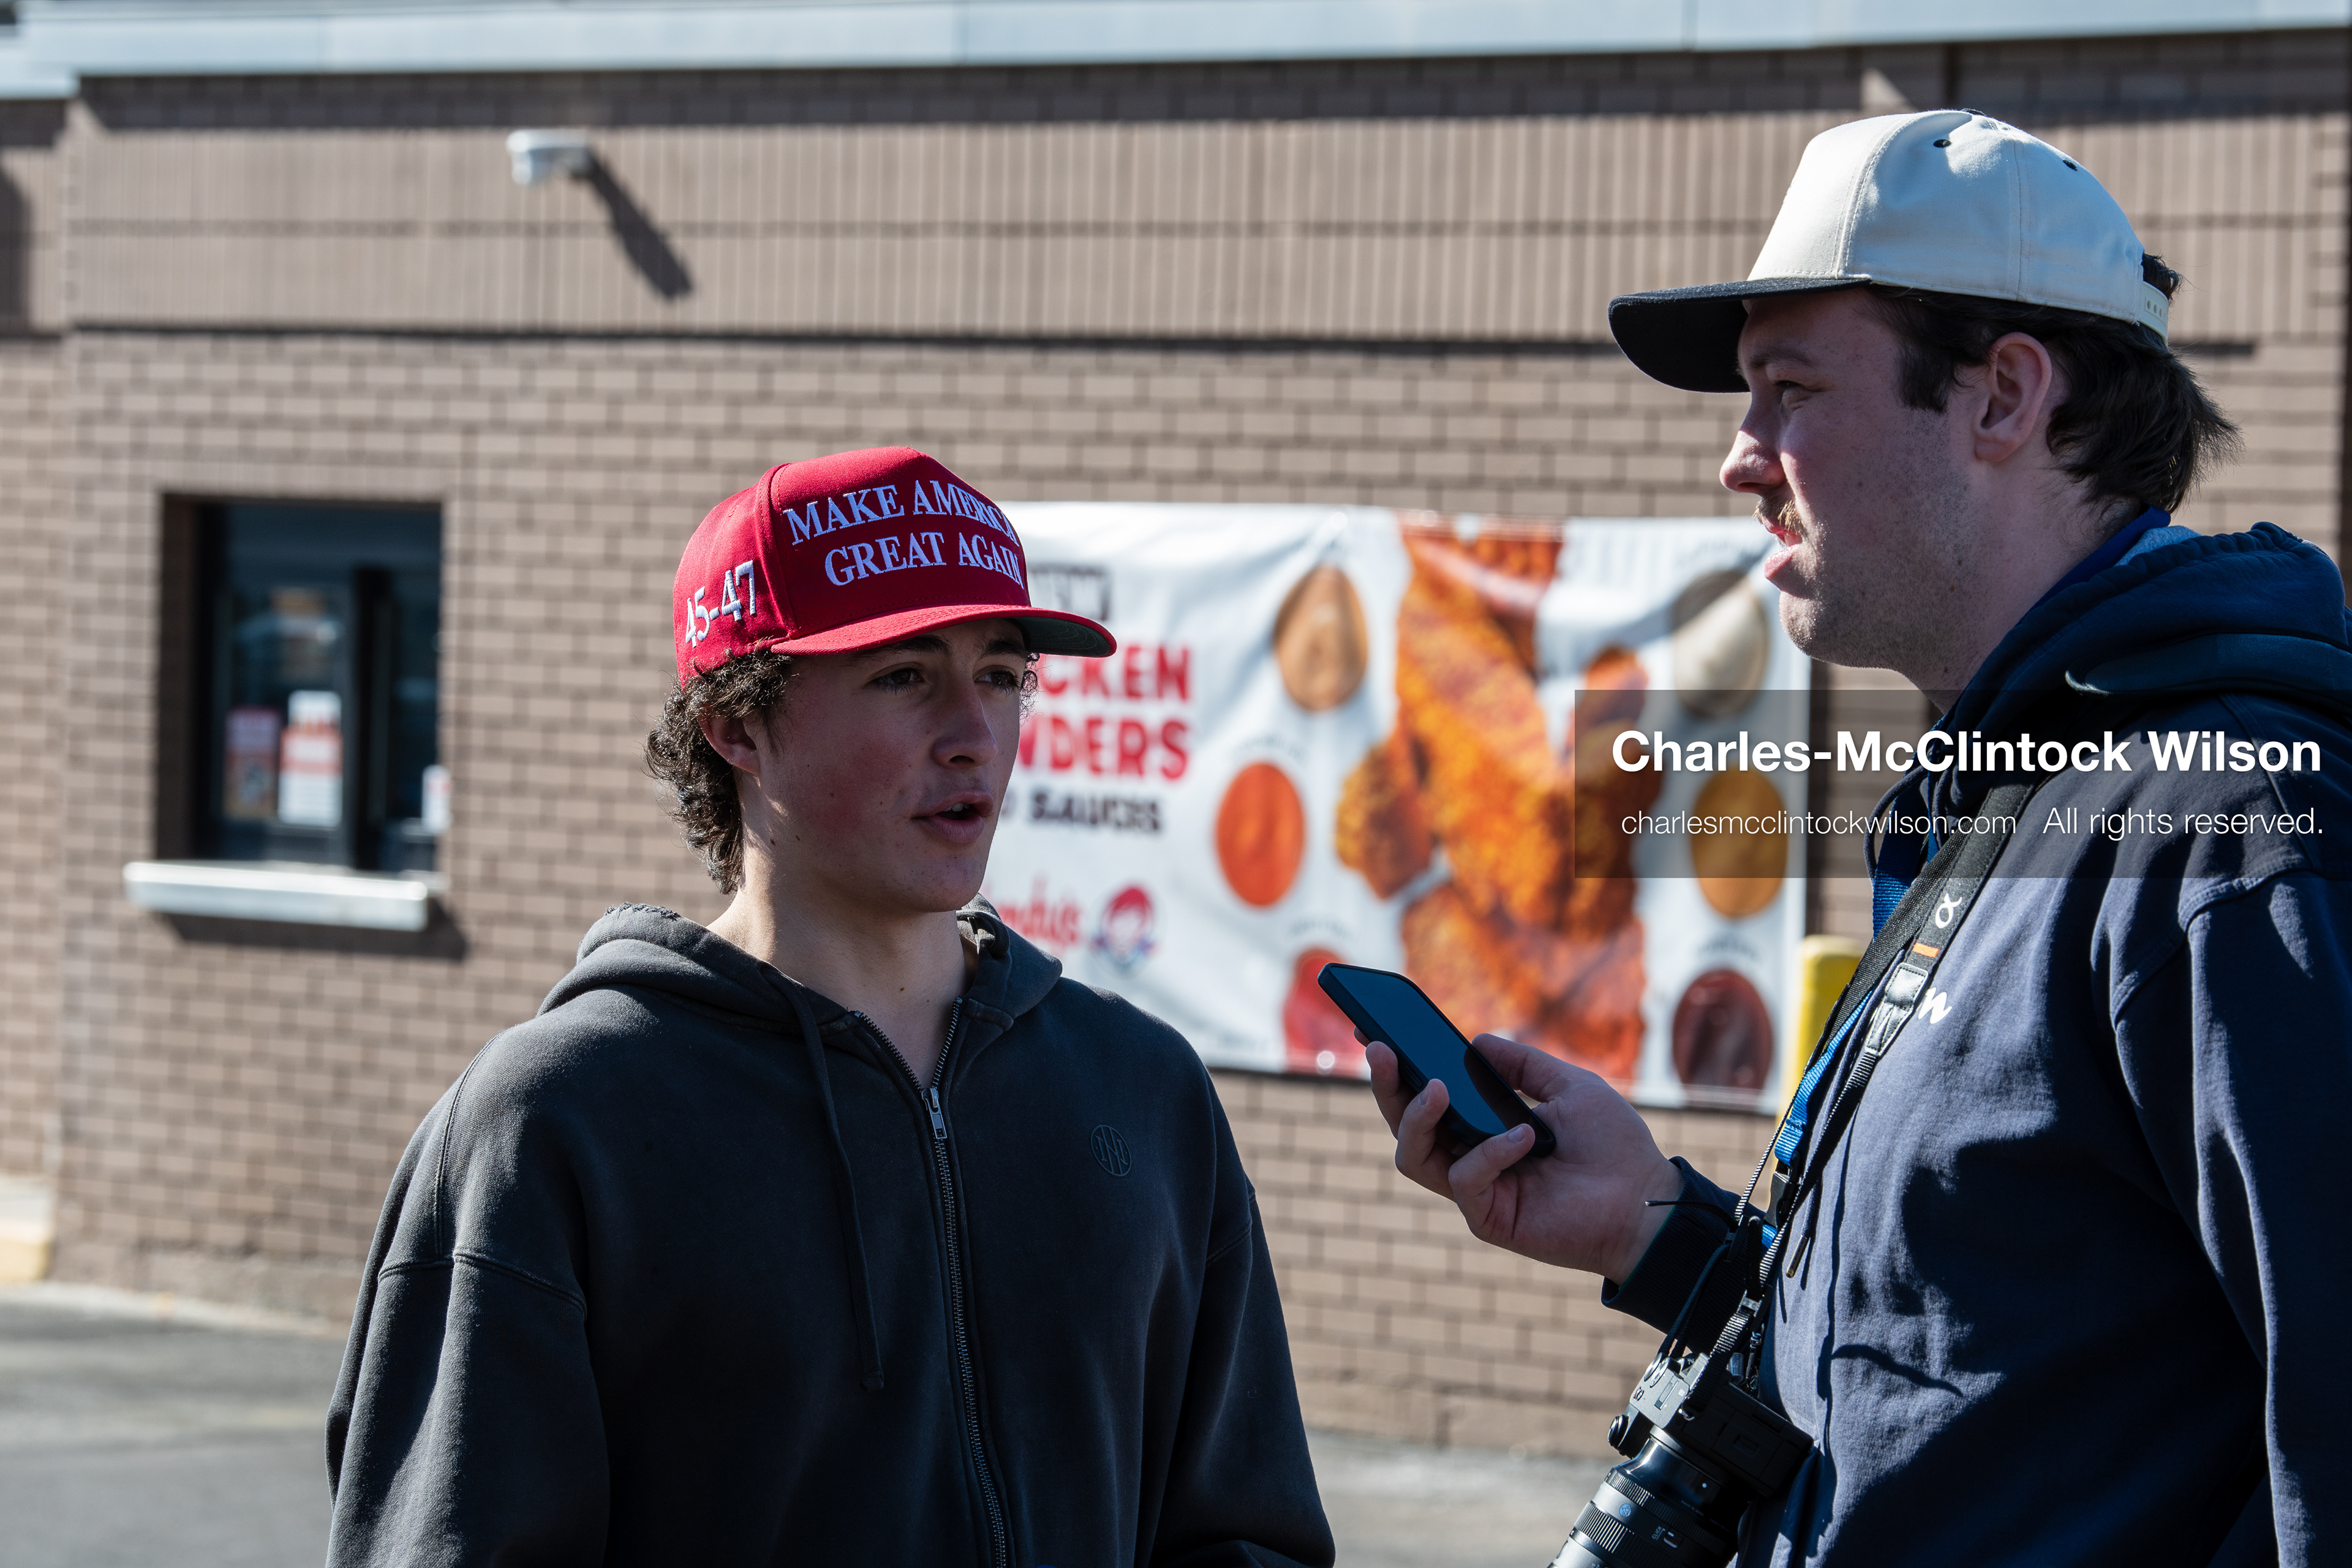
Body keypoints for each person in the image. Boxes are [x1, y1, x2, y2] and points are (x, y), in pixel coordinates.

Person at [1369, 111, 2352, 1565]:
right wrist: (1654, 1228)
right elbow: (1975, 1360)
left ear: (2004, 396)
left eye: (1786, 389)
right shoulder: (2017, 788)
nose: (1738, 459)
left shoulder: (2235, 828)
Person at [325, 447, 1334, 1567]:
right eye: (904, 676)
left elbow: (1245, 1535)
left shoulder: (1141, 1090)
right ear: (738, 728)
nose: (974, 734)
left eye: (1001, 674)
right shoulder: (557, 1121)